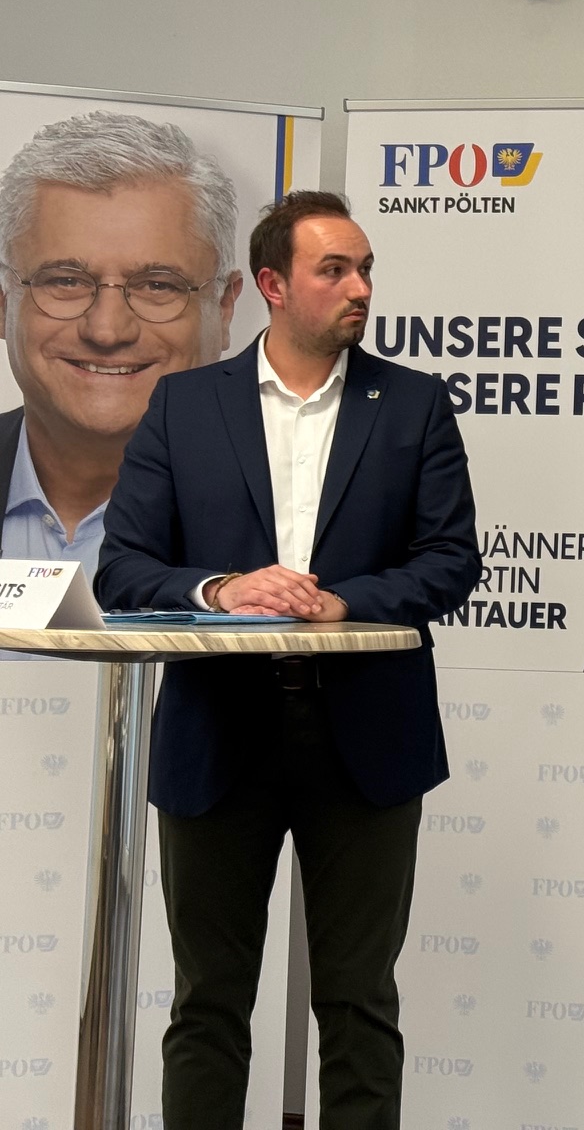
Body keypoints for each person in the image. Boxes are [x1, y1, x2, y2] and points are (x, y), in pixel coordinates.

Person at [96, 191, 479, 1130]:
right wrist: (224, 588)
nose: (361, 288)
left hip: (366, 736)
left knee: (358, 1002)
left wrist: (345, 601)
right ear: (272, 284)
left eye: (366, 269)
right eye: (334, 270)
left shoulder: (414, 404)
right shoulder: (184, 405)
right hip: (216, 735)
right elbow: (123, 567)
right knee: (208, 1003)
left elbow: (450, 560)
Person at [0, 111, 242, 574]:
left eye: (158, 285)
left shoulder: (312, 519)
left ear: (224, 308)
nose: (107, 331)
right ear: (3, 303)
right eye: (66, 281)